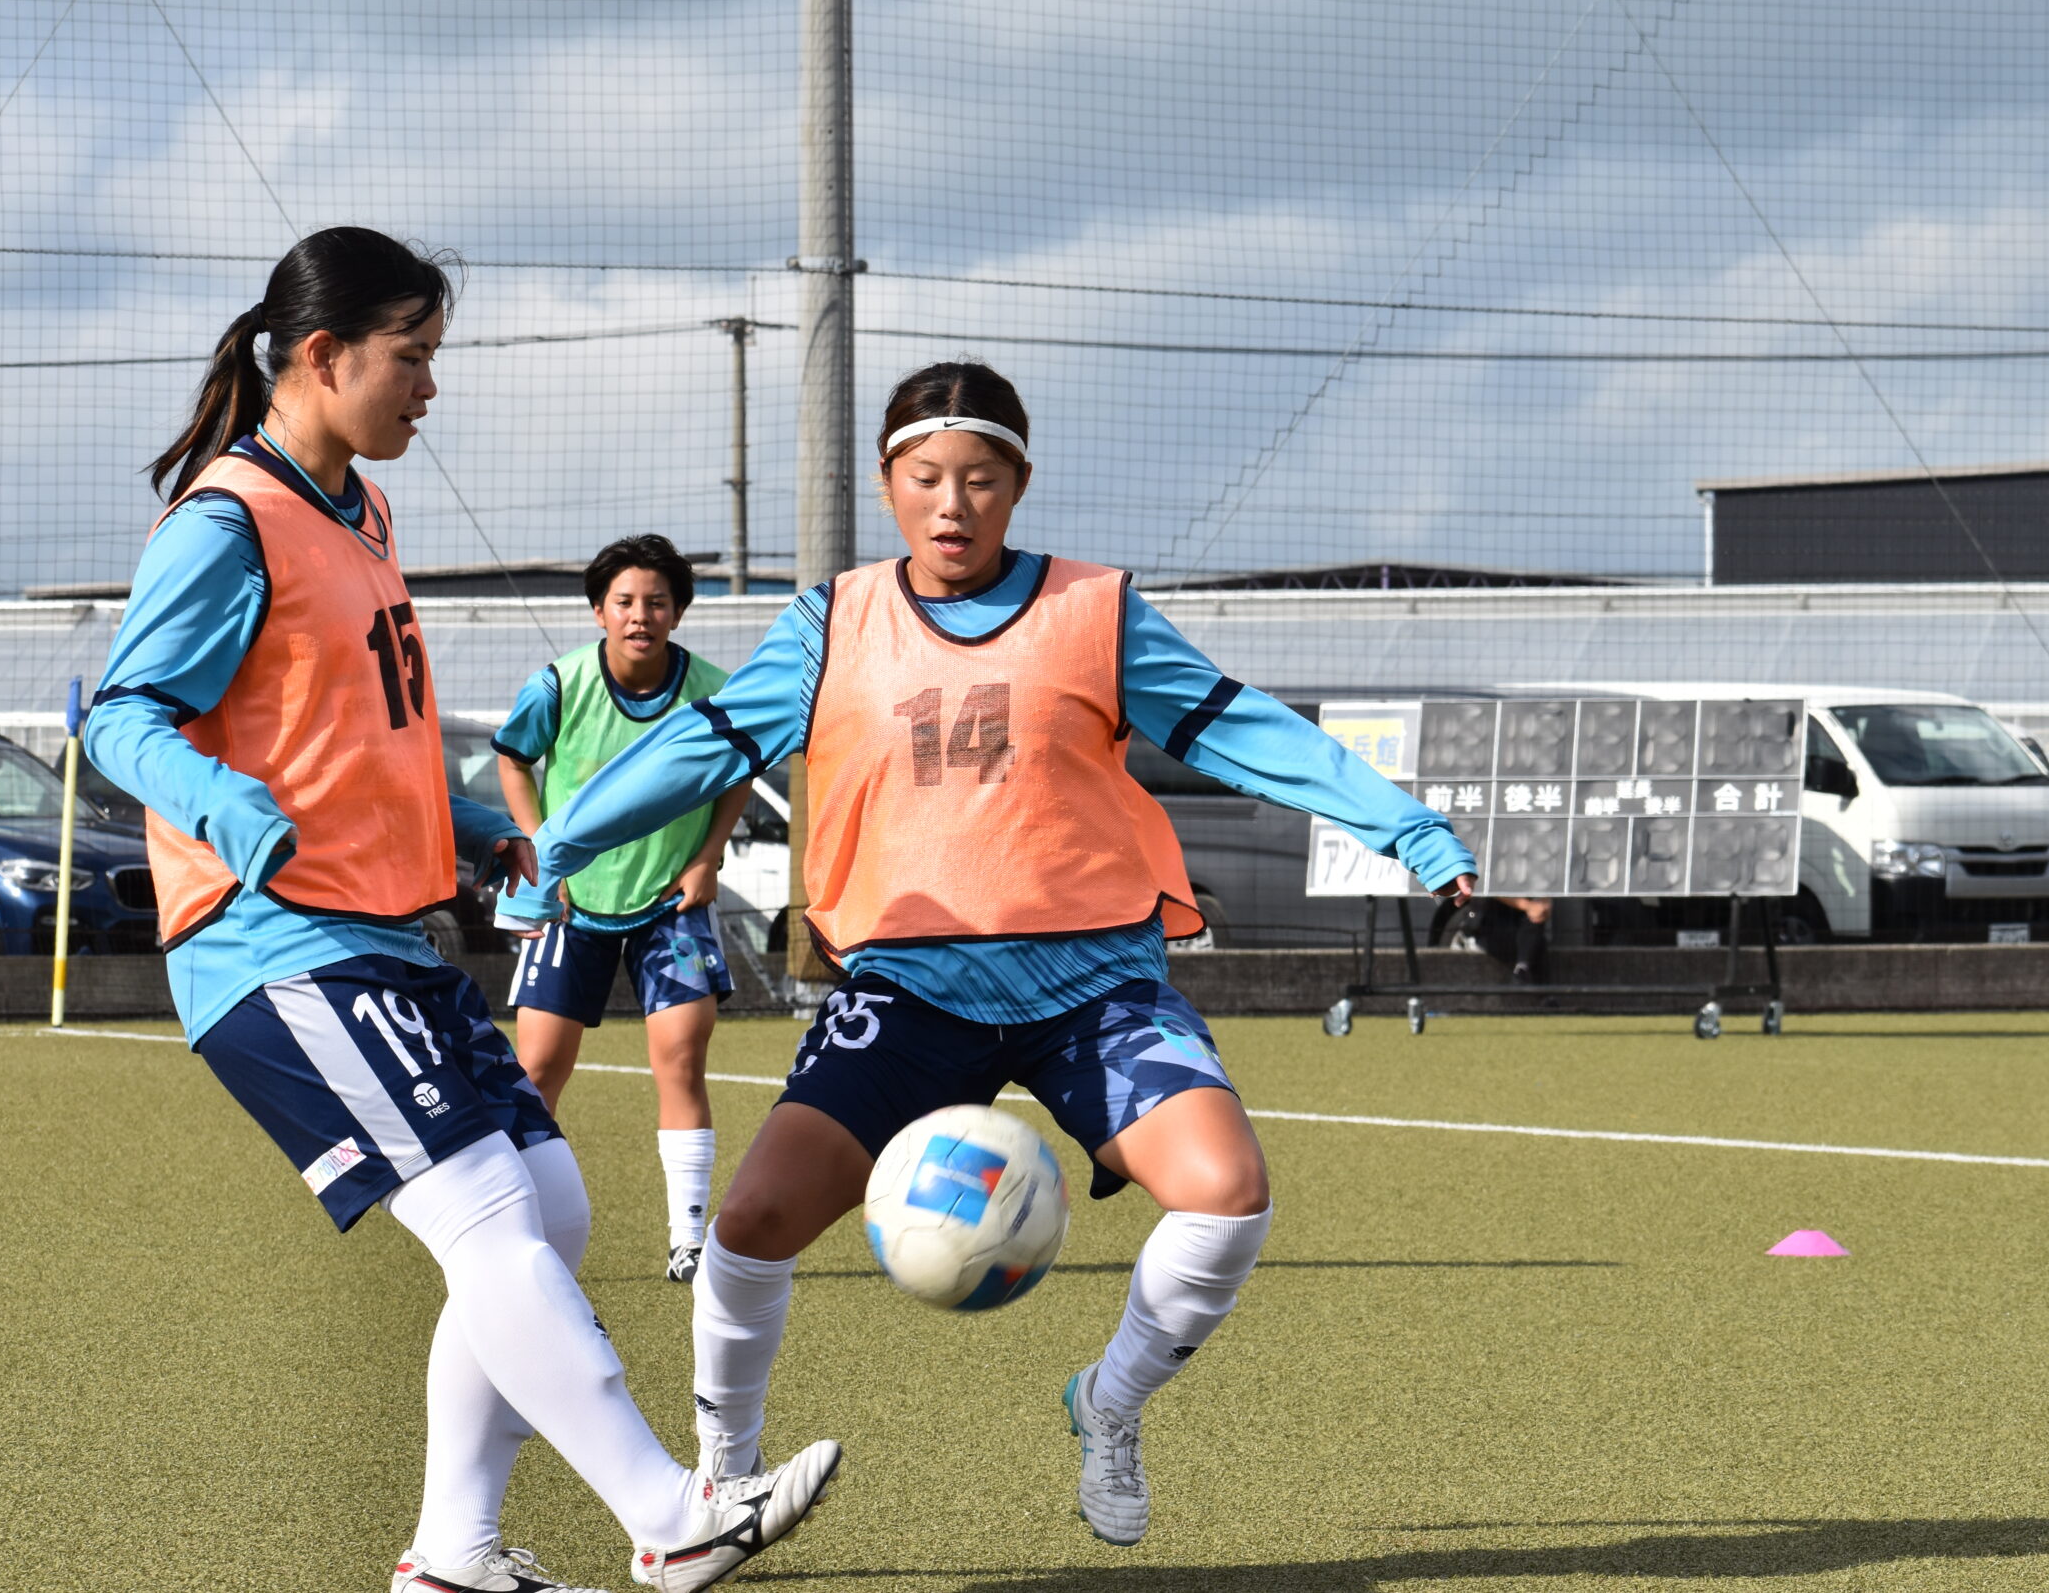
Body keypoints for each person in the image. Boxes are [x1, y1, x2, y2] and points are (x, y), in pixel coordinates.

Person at [515, 361, 1476, 1547]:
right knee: (752, 1219)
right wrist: (561, 840)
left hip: (1095, 990)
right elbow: (700, 749)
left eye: (979, 477)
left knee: (1227, 1198)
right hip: (911, 992)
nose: (952, 503)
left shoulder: (1096, 612)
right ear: (888, 483)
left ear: (1019, 483)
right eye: (926, 477)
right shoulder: (831, 624)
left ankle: (1109, 1403)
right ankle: (724, 1482)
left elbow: (1241, 727)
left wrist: (1407, 826)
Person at [80, 227, 836, 1593]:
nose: (432, 385)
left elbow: (363, 730)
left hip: (378, 930)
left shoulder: (360, 510)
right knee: (489, 1206)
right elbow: (124, 715)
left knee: (550, 1202)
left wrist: (479, 828)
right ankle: (667, 1512)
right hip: (273, 944)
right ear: (324, 354)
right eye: (413, 356)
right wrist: (226, 805)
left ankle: (454, 1555)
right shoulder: (224, 519)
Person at [494, 534, 751, 1284]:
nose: (641, 615)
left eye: (657, 602)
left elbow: (740, 765)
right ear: (599, 610)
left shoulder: (713, 690)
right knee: (537, 1067)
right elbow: (513, 757)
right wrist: (541, 850)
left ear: (678, 612)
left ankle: (689, 1241)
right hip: (571, 901)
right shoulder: (558, 684)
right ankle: (512, 1233)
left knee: (681, 1057)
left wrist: (708, 857)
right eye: (626, 602)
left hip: (671, 902)